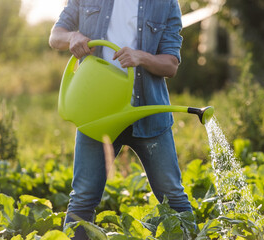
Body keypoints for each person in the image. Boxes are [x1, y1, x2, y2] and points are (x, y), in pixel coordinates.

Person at [49, 0, 192, 239]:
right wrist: (72, 36)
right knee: (82, 200)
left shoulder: (166, 3)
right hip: (97, 113)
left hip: (148, 112)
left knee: (173, 197)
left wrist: (141, 57)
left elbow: (170, 64)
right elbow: (55, 36)